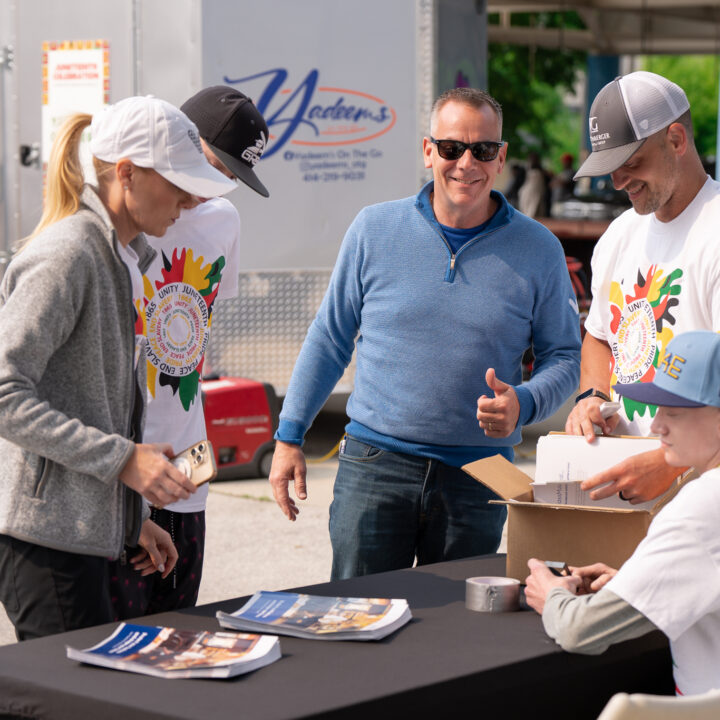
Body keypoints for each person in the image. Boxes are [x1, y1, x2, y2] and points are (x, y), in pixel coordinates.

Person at [269, 87, 581, 580]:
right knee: (358, 624)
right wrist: (289, 436)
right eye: (452, 147)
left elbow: (564, 355)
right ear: (428, 150)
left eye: (482, 150)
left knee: (453, 642)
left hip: (478, 477)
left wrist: (524, 402)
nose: (465, 164)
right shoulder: (374, 230)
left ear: (501, 158)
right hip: (375, 466)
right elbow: (330, 338)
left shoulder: (537, 248)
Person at [0, 96, 237, 640]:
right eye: (176, 179)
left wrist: (133, 521)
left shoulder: (122, 258)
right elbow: (5, 392)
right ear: (126, 174)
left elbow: (89, 404)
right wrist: (124, 460)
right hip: (46, 541)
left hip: (81, 533)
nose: (187, 197)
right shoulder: (69, 256)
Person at [108, 86, 269, 618]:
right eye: (211, 164)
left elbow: (198, 333)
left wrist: (203, 449)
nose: (215, 186)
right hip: (123, 461)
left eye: (232, 177)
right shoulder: (125, 223)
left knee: (181, 628)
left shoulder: (224, 221)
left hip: (188, 460)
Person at [526, 329, 720, 697]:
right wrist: (636, 582)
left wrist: (551, 593)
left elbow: (577, 630)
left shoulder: (700, 506)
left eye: (675, 412)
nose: (657, 424)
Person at [564, 70, 720, 505]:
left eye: (630, 163)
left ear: (675, 140)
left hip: (701, 505)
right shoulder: (618, 235)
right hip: (621, 494)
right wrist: (592, 397)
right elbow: (598, 336)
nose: (617, 182)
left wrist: (670, 464)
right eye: (609, 168)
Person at [517, 151, 549, 217]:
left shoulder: (542, 170)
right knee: (527, 211)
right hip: (527, 193)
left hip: (537, 192)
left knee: (536, 211)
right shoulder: (525, 169)